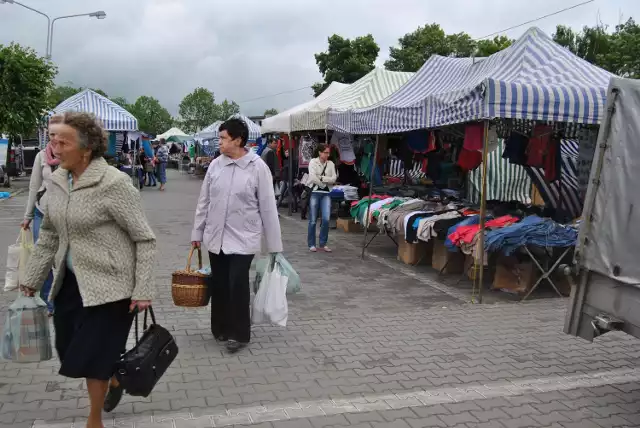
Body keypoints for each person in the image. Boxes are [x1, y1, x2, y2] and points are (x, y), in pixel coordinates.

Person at [20, 112, 157, 428]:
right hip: (70, 285)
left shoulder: (114, 183)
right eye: (52, 139)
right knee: (68, 348)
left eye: (62, 141)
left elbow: (145, 239)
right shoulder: (56, 181)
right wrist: (32, 278)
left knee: (93, 357)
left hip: (111, 288)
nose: (54, 146)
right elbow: (51, 235)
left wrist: (143, 289)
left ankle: (94, 419)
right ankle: (113, 377)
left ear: (87, 148)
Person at [191, 118, 282, 354]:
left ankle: (239, 334)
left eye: (223, 138)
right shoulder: (215, 165)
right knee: (220, 284)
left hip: (244, 238)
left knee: (237, 283)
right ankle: (220, 328)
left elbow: (268, 207)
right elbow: (204, 201)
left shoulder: (257, 167)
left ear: (238, 140)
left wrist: (274, 245)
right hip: (216, 237)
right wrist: (197, 233)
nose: (219, 142)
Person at [20, 142, 58, 315]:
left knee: (65, 260)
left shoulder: (74, 154)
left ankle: (66, 301)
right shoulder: (42, 156)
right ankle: (48, 303)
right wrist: (28, 216)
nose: (55, 138)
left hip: (65, 215)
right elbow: (34, 186)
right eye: (51, 134)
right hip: (41, 213)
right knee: (43, 258)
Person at [307, 143, 337, 252]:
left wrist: (322, 178)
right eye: (325, 152)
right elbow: (312, 177)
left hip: (326, 194)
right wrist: (323, 184)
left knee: (326, 219)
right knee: (313, 220)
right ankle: (311, 243)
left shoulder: (331, 164)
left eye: (328, 153)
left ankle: (323, 243)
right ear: (320, 152)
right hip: (315, 191)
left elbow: (334, 178)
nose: (327, 155)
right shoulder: (313, 162)